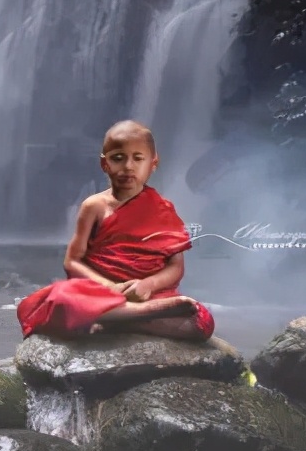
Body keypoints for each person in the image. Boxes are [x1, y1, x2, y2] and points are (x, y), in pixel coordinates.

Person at [16, 120, 215, 341]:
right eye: (118, 158)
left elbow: (175, 267)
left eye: (138, 158)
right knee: (62, 297)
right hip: (104, 293)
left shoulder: (164, 209)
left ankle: (113, 319)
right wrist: (112, 287)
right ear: (105, 164)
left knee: (201, 322)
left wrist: (147, 284)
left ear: (153, 163)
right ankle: (138, 316)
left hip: (150, 294)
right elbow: (72, 261)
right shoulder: (94, 206)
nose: (128, 166)